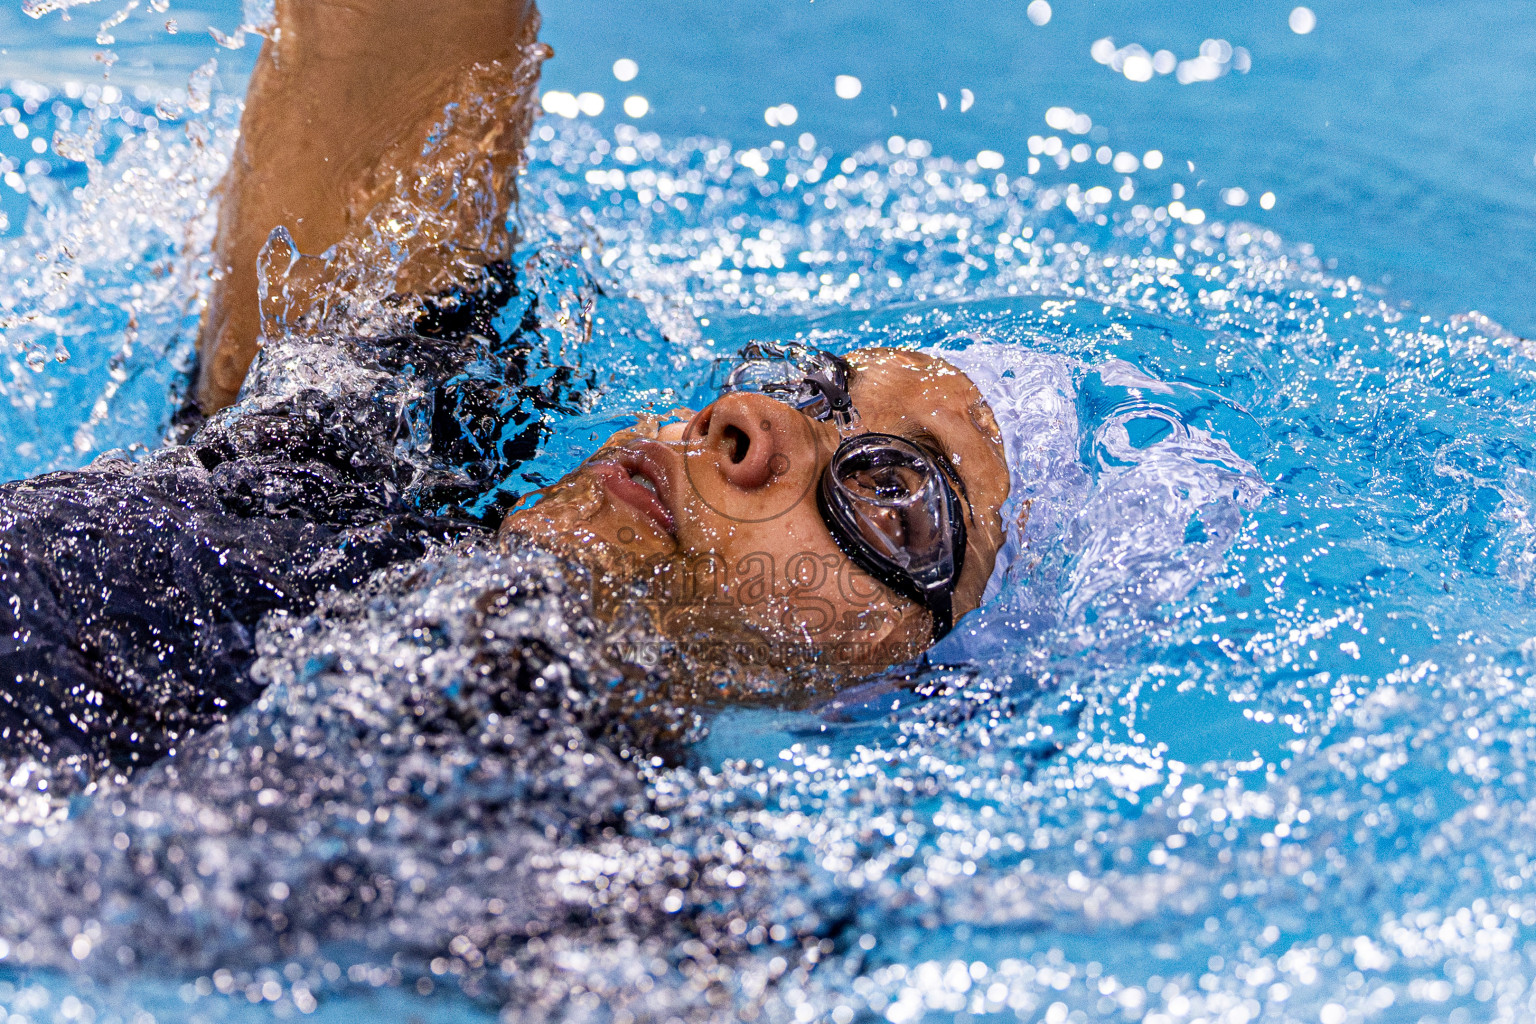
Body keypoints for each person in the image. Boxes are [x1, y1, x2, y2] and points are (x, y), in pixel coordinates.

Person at [0, 0, 1018, 772]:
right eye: (805, 387)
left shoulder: (624, 908)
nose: (748, 422)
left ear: (905, 683)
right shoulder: (332, 470)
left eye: (896, 497)